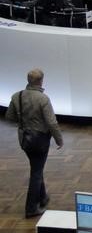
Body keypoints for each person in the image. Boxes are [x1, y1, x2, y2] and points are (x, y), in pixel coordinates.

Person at [5, 69, 63, 218]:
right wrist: (59, 139)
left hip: (24, 139)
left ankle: (43, 197)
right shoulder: (43, 99)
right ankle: (31, 208)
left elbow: (10, 117)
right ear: (41, 81)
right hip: (40, 140)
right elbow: (51, 122)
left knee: (36, 167)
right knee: (36, 172)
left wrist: (25, 120)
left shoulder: (16, 96)